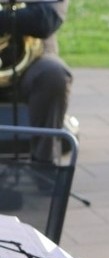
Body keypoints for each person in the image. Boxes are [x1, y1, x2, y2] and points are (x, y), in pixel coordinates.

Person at [0, 1, 72, 164]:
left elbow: (46, 19)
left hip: (31, 62)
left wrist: (4, 18)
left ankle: (45, 170)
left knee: (53, 74)